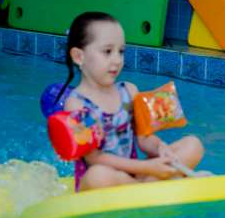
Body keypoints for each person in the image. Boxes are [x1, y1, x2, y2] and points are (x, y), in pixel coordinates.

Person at [57, 11, 204, 191]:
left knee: (193, 144)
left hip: (132, 176)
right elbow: (94, 158)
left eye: (121, 51)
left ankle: (145, 186)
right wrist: (147, 167)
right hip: (103, 180)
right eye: (107, 51)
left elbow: (144, 139)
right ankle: (154, 185)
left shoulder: (128, 91)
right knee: (98, 175)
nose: (117, 60)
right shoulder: (77, 104)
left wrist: (161, 148)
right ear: (79, 56)